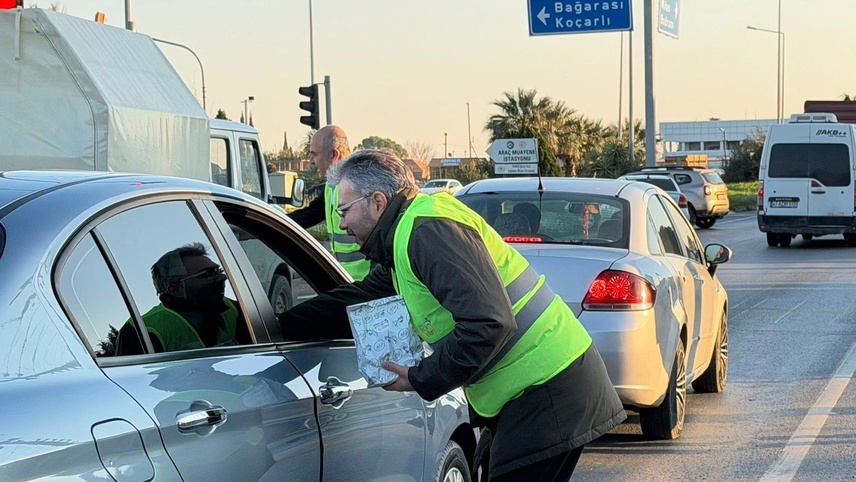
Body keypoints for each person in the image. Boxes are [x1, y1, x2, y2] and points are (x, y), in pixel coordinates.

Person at [278, 149, 626, 481]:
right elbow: (359, 297)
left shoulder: (426, 232)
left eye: (344, 210)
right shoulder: (405, 237)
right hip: (533, 390)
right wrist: (279, 326)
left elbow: (489, 323)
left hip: (548, 388)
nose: (341, 223)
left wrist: (421, 376)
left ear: (378, 202)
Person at [116, 243, 248, 354]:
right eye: (208, 274)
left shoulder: (235, 309)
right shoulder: (142, 331)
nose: (222, 278)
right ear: (175, 290)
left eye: (218, 271)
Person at [287, 125, 371, 280]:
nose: (311, 162)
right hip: (346, 279)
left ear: (334, 155)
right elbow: (309, 215)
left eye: (314, 155)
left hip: (368, 282)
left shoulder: (360, 185)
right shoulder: (331, 186)